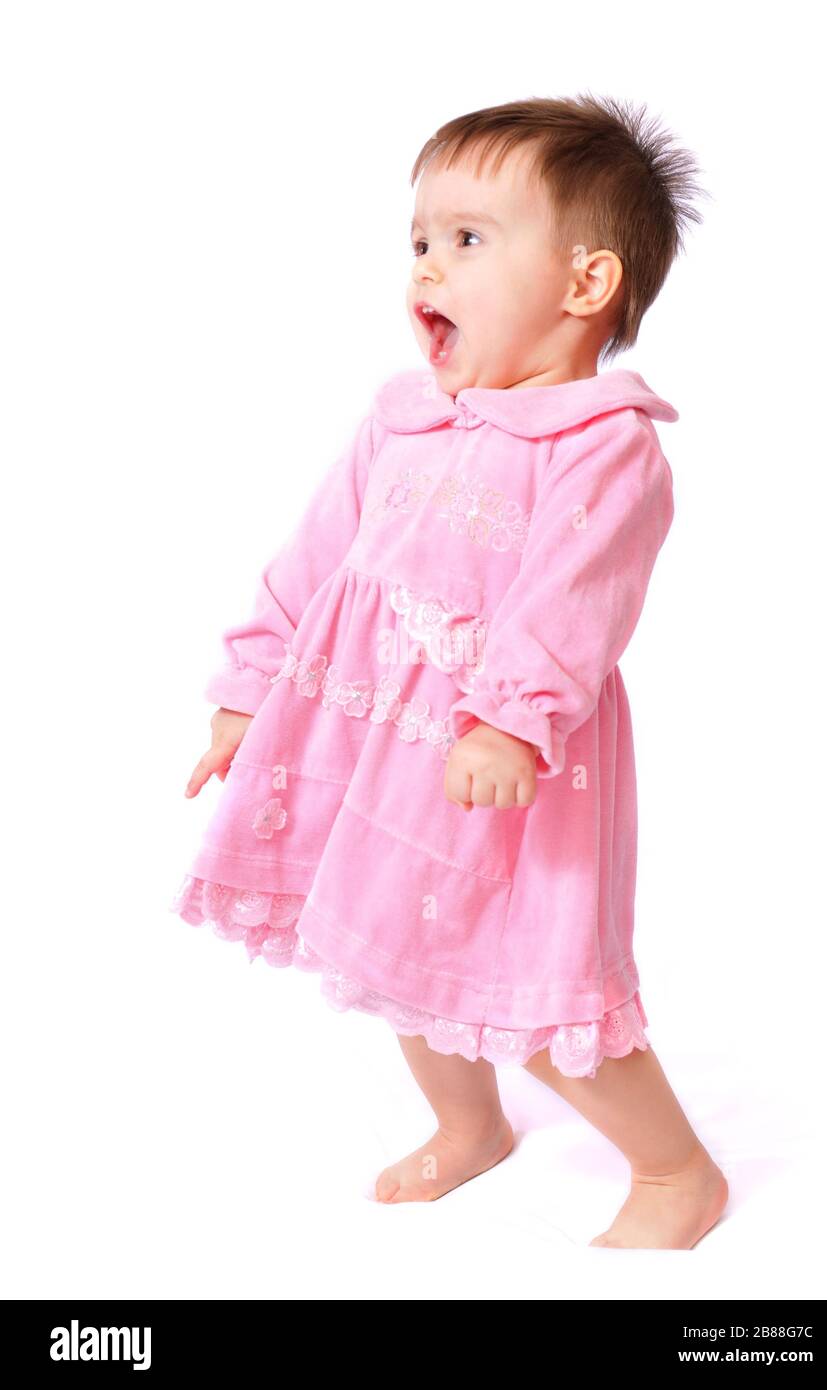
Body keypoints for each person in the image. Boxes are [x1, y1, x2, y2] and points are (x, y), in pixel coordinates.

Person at [172, 93, 729, 1248]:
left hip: (505, 766)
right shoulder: (403, 418)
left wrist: (508, 725)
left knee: (530, 983)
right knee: (391, 941)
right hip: (366, 741)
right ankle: (469, 1127)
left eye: (466, 240)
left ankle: (675, 1170)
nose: (425, 266)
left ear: (584, 286)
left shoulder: (602, 446)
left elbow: (572, 605)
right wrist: (247, 694)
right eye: (417, 238)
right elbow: (316, 560)